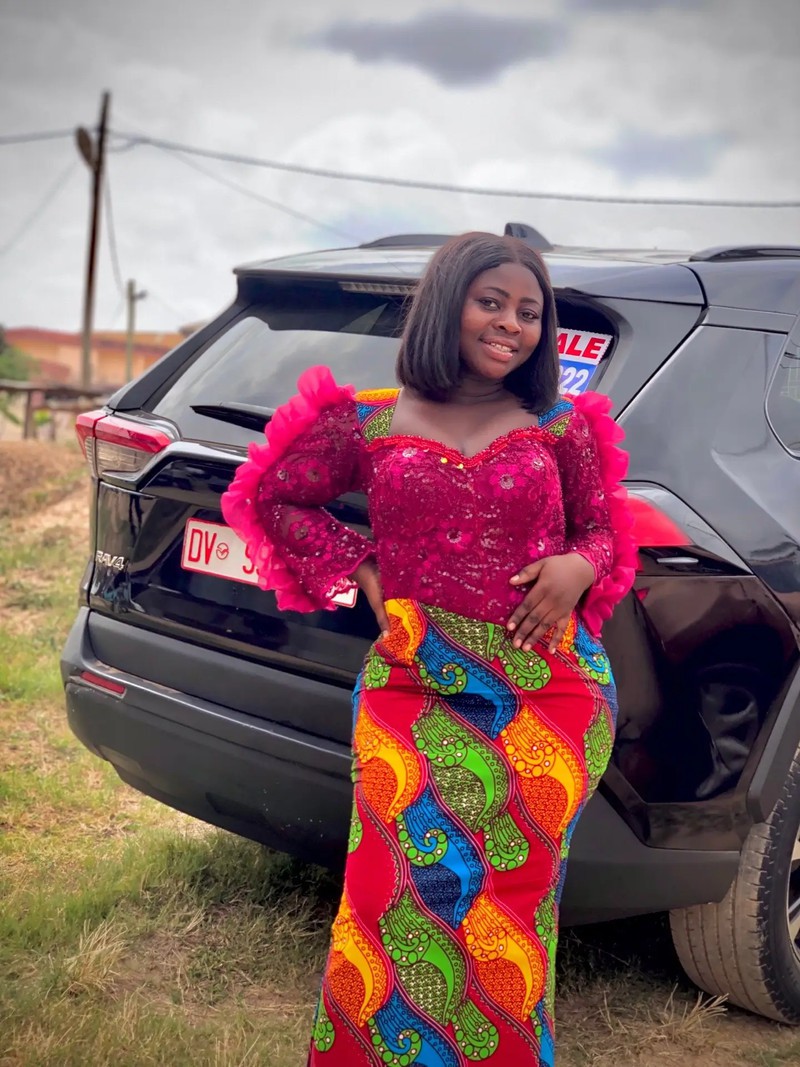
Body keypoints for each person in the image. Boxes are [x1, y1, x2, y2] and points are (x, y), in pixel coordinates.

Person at [221, 231, 637, 1067]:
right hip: (413, 689)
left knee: (508, 921)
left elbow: (600, 529)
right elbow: (275, 496)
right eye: (492, 302)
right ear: (448, 303)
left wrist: (578, 565)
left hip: (548, 698)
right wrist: (362, 566)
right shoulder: (369, 420)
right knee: (388, 900)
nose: (512, 324)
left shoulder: (559, 425)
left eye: (529, 312)